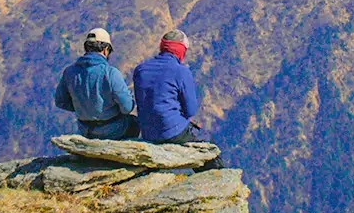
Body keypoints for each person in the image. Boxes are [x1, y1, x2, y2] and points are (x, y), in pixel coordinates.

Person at [132, 30, 226, 169]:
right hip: (170, 131)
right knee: (206, 142)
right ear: (180, 50)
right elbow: (191, 110)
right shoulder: (180, 71)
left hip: (147, 131)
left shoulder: (141, 69)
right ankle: (217, 181)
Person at [54, 28, 139, 139]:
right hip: (112, 129)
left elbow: (61, 101)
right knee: (134, 122)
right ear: (105, 49)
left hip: (85, 130)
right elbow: (127, 108)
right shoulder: (110, 73)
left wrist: (82, 107)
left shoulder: (69, 72)